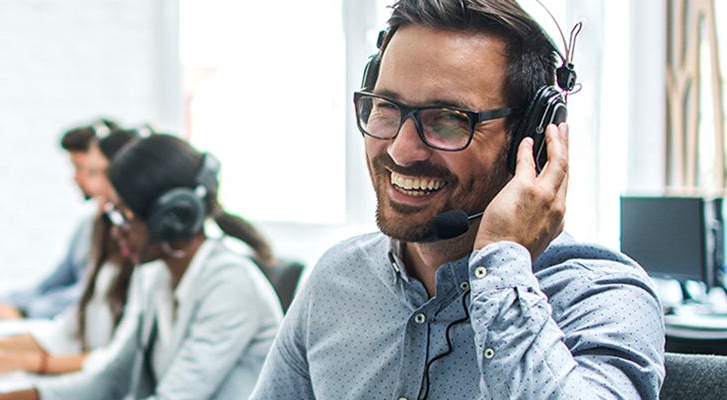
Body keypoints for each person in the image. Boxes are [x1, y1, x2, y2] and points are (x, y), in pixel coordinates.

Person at [250, 1, 665, 399]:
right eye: (385, 108)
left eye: (447, 118)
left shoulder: (601, 298)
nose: (400, 150)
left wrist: (502, 263)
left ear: (532, 139)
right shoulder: (336, 279)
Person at [0, 134, 283, 400]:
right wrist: (5, 398)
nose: (114, 228)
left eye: (124, 214)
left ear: (170, 218)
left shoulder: (229, 284)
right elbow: (112, 379)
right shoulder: (155, 276)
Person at [0, 128, 145, 375]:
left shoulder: (140, 265)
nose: (85, 181)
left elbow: (113, 364)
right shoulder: (97, 234)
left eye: (94, 172)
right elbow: (62, 329)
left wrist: (21, 351)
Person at [0, 119, 119, 320]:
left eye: (84, 169)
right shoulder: (87, 227)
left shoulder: (123, 232)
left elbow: (92, 295)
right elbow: (49, 286)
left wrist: (24, 312)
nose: (76, 178)